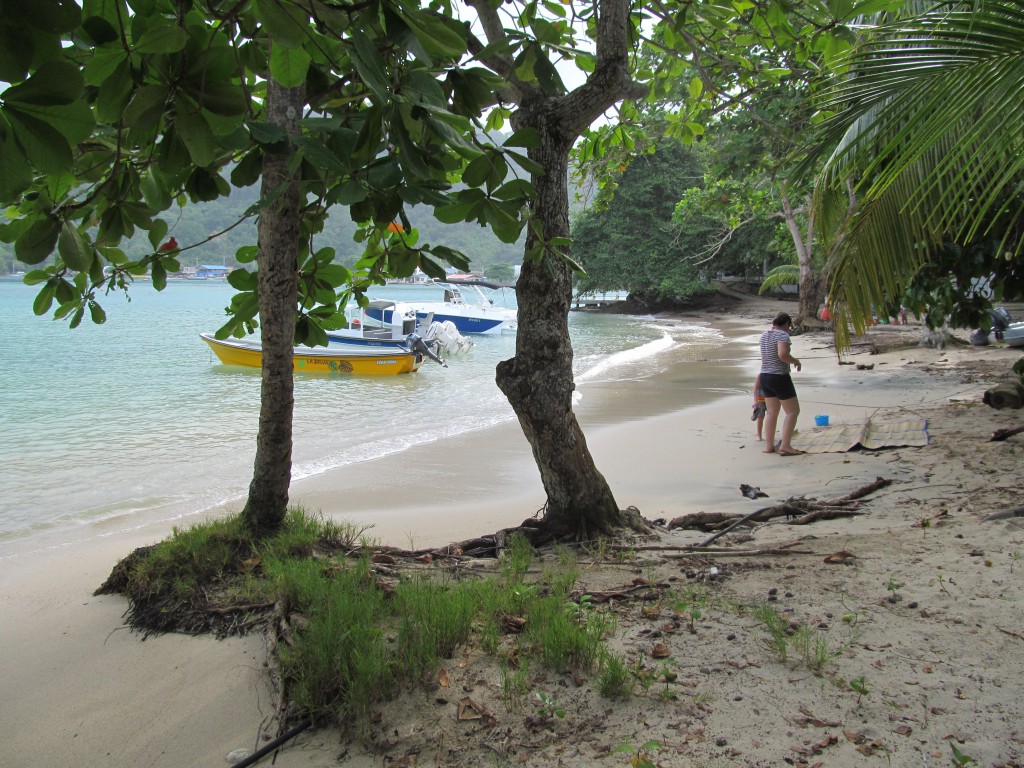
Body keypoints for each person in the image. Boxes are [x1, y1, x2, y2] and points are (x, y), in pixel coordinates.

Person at [759, 312, 803, 455]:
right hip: (779, 377)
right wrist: (795, 361)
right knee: (793, 411)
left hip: (764, 376)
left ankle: (769, 446)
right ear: (786, 324)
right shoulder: (782, 335)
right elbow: (783, 355)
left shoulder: (764, 335)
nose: (789, 330)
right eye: (789, 326)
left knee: (771, 413)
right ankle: (785, 445)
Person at [751, 374, 767, 441]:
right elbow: (755, 389)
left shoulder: (775, 374)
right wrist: (755, 401)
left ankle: (769, 434)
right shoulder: (760, 375)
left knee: (772, 416)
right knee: (760, 417)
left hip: (771, 399)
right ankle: (759, 434)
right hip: (760, 399)